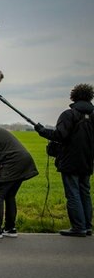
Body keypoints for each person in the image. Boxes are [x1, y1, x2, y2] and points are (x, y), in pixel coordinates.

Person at [34, 83, 94, 237]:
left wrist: (42, 131)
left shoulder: (69, 114)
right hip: (88, 161)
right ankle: (87, 226)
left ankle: (78, 227)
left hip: (70, 161)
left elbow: (60, 135)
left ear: (73, 96)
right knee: (84, 192)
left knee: (73, 193)